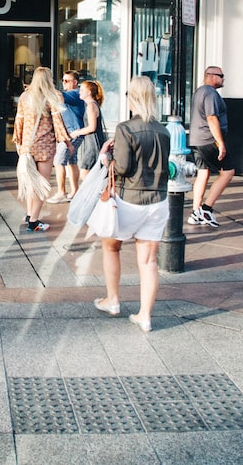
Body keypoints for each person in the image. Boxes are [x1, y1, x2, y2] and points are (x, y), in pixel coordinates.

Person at [93, 76, 169, 333]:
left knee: (111, 247)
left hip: (130, 199)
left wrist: (106, 157)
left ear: (132, 97)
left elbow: (123, 167)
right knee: (148, 261)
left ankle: (113, 300)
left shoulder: (125, 128)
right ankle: (145, 316)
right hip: (158, 201)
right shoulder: (164, 130)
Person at [13, 66, 71, 231]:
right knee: (42, 186)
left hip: (28, 146)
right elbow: (58, 123)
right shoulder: (51, 97)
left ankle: (30, 214)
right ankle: (34, 221)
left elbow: (19, 122)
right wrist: (66, 142)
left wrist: (18, 142)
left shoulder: (24, 97)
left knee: (32, 184)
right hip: (45, 146)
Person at [188, 66, 235, 227]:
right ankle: (206, 208)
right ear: (211, 76)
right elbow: (211, 118)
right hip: (209, 139)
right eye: (221, 76)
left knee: (203, 173)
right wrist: (220, 143)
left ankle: (196, 212)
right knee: (228, 172)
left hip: (197, 140)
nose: (223, 79)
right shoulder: (210, 93)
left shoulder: (198, 92)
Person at [47, 70, 85, 204]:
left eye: (67, 81)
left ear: (75, 82)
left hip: (72, 134)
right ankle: (75, 191)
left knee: (59, 161)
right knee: (72, 161)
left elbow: (59, 96)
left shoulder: (74, 94)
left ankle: (61, 192)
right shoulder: (72, 94)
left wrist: (45, 86)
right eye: (63, 80)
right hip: (71, 133)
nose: (64, 83)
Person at [70, 79, 106, 180]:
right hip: (92, 143)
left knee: (85, 173)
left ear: (89, 92)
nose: (79, 92)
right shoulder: (92, 105)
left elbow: (92, 127)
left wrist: (77, 132)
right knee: (90, 173)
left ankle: (93, 194)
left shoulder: (91, 106)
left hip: (93, 144)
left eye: (82, 90)